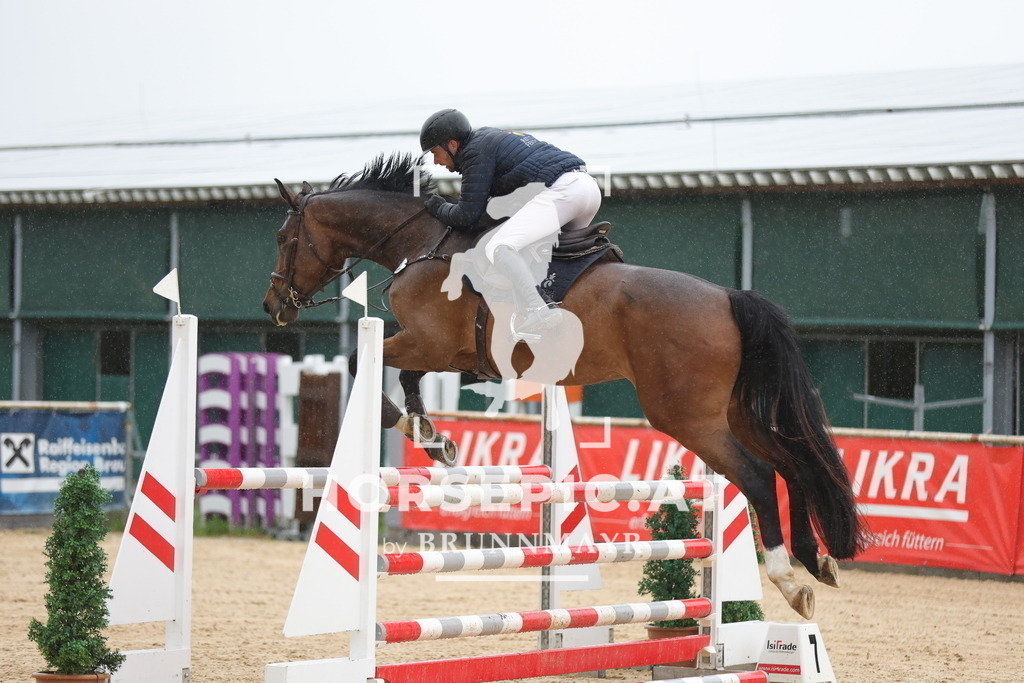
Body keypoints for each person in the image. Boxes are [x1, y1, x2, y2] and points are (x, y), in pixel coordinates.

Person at [420, 108, 602, 340]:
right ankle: (563, 312)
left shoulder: (475, 152)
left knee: (498, 247)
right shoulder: (487, 140)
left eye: (436, 152)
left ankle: (540, 310)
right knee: (546, 257)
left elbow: (467, 215)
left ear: (453, 144)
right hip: (587, 189)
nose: (436, 162)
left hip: (565, 192)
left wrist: (437, 206)